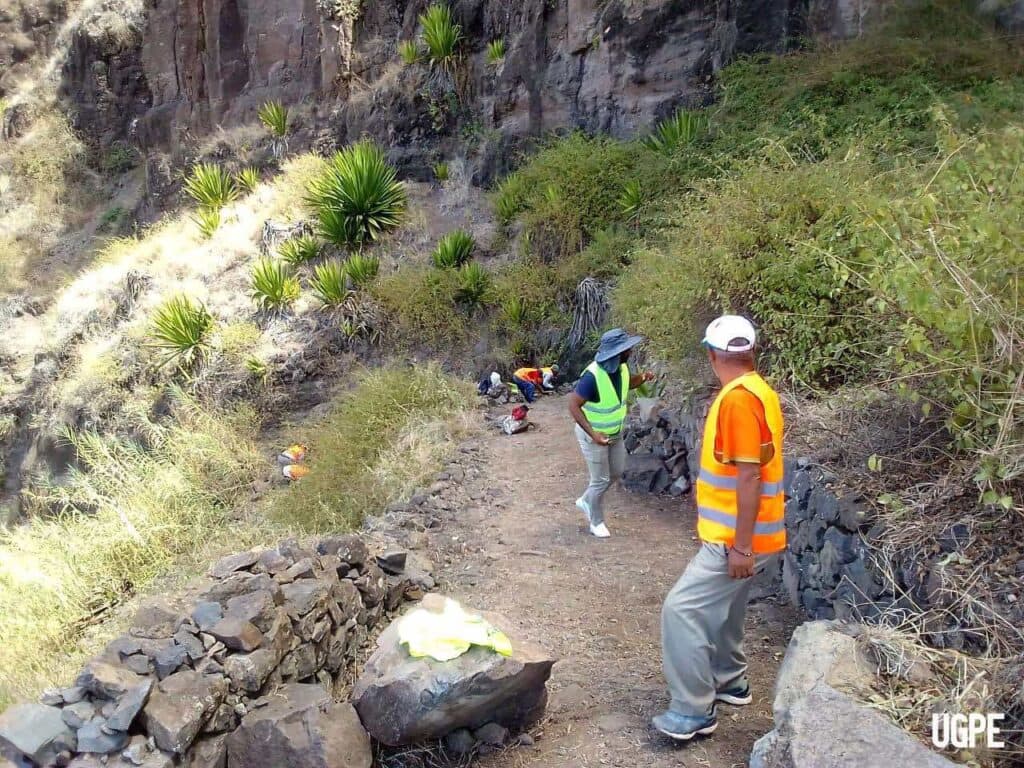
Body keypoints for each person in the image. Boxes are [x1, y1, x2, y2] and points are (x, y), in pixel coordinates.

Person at [653, 315, 786, 741]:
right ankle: (731, 681)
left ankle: (693, 711)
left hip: (736, 536)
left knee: (682, 610)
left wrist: (741, 548)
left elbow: (749, 476)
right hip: (753, 532)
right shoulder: (759, 391)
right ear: (750, 353)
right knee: (727, 606)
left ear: (712, 356)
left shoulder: (737, 401)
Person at [568, 329, 654, 538]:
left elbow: (628, 382)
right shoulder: (592, 376)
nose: (631, 352)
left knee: (616, 472)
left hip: (614, 434)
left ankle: (587, 500)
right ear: (618, 352)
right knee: (599, 480)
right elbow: (573, 405)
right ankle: (595, 521)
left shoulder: (621, 368)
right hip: (593, 436)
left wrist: (643, 377)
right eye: (627, 349)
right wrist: (593, 434)